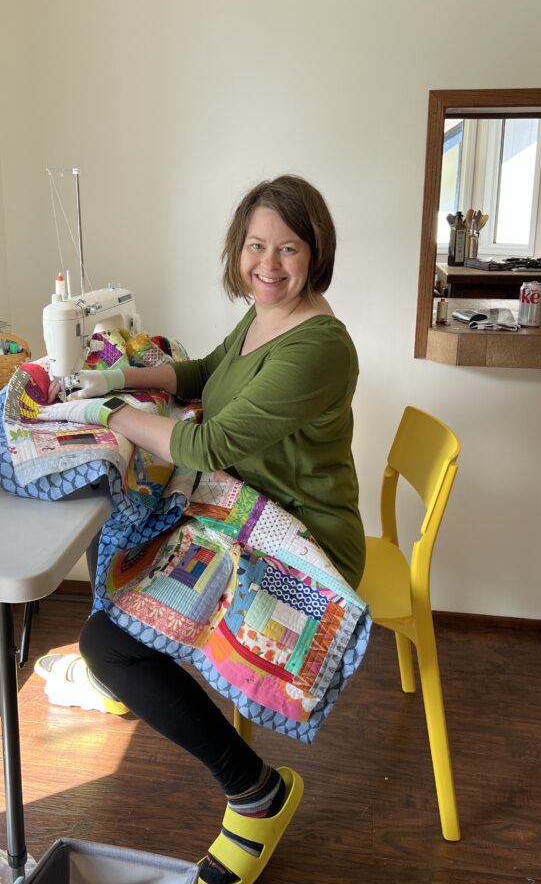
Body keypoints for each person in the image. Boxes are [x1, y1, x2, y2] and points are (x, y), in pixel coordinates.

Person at [43, 174, 363, 884]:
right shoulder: (262, 316)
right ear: (238, 248)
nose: (268, 264)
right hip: (246, 510)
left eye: (288, 249)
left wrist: (111, 417)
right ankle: (129, 665)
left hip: (304, 539)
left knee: (109, 640)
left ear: (316, 254)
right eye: (255, 245)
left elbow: (207, 445)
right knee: (127, 565)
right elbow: (206, 375)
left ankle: (259, 796)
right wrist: (120, 377)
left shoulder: (318, 346)